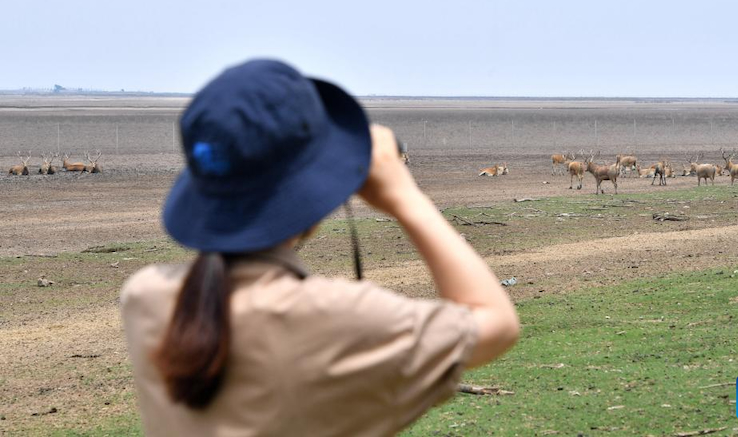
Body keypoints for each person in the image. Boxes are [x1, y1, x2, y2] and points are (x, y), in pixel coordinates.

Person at [121, 59, 519, 436]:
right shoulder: (337, 317)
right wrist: (404, 197)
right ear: (313, 193)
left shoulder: (146, 298)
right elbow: (497, 324)